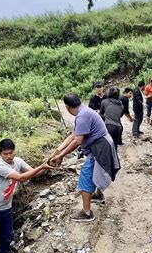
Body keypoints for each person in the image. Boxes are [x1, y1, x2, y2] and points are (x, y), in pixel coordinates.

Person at [49, 94, 120, 222]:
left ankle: (87, 213)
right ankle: (98, 195)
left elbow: (77, 141)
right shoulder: (84, 111)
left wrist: (61, 156)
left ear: (67, 107)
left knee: (86, 176)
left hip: (99, 147)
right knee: (97, 171)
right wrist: (58, 150)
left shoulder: (82, 116)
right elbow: (73, 135)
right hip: (101, 144)